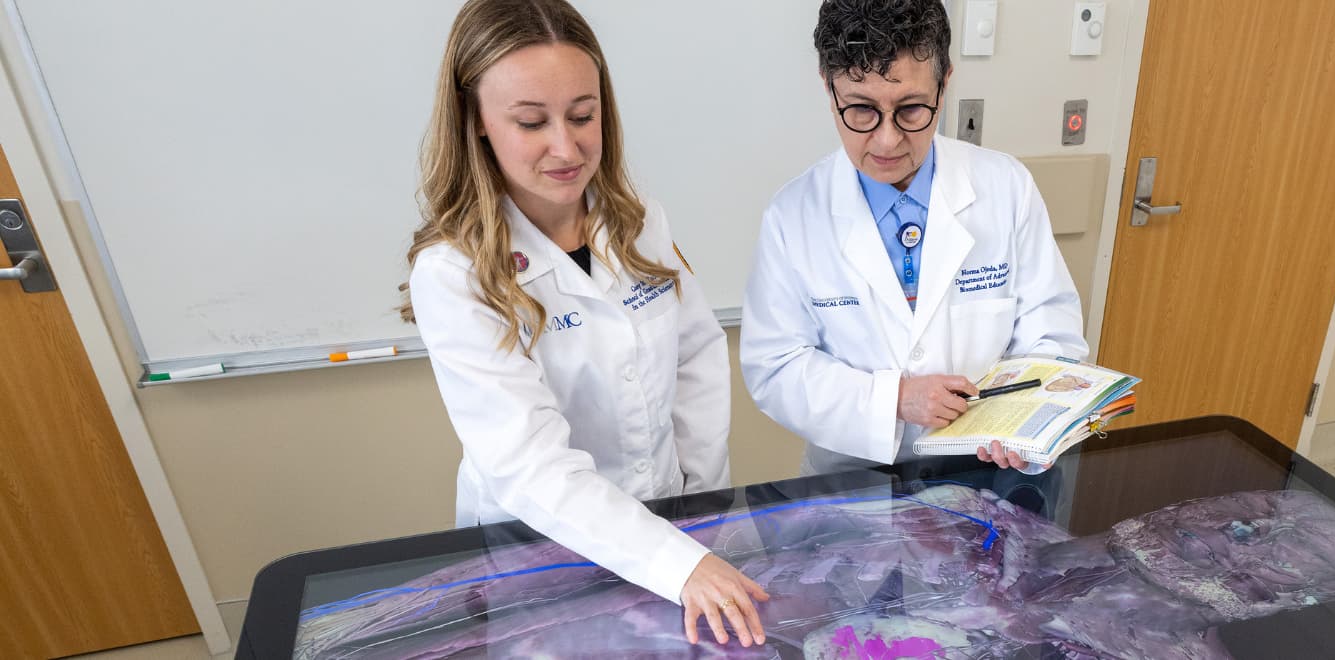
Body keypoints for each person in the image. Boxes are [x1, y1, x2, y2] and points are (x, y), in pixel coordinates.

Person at [399, 0, 765, 647]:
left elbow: (697, 360)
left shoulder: (637, 219)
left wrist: (703, 511)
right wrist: (677, 562)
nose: (566, 148)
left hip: (675, 523)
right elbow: (529, 464)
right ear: (476, 121)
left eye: (583, 115)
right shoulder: (452, 272)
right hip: (543, 553)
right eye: (532, 122)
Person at [741, 0, 1089, 477]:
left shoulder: (1005, 187)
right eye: (861, 109)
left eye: (910, 109)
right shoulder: (793, 216)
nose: (886, 141)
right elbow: (776, 369)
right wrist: (895, 400)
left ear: (944, 83)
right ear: (828, 87)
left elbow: (1052, 335)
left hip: (989, 470)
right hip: (851, 477)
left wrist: (1025, 423)